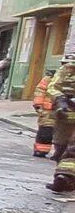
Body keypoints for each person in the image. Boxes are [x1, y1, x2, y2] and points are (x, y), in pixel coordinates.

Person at [50, 51, 75, 192]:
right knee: (60, 146)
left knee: (72, 149)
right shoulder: (63, 72)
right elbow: (53, 87)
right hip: (64, 116)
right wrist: (61, 99)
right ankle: (61, 178)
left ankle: (66, 179)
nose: (69, 67)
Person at [34, 69, 58, 158]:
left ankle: (61, 153)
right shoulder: (50, 78)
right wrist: (38, 104)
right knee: (46, 131)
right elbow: (40, 91)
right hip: (49, 110)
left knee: (66, 134)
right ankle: (41, 150)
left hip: (68, 110)